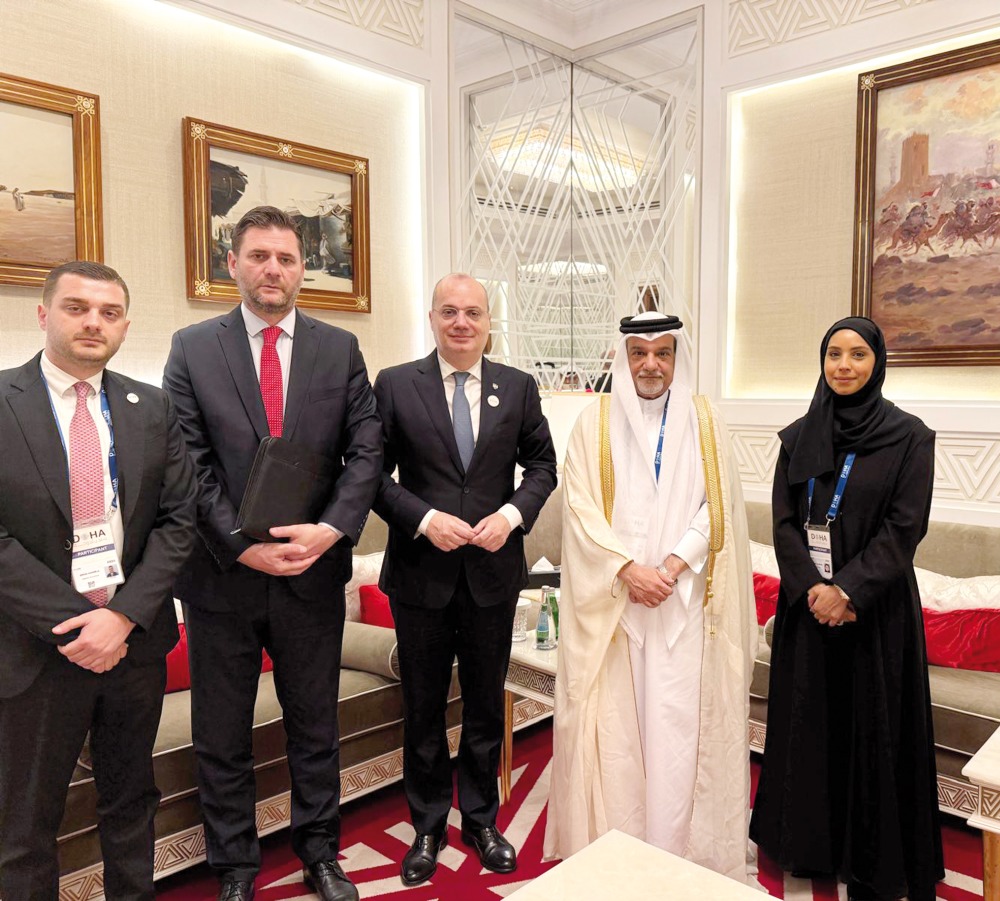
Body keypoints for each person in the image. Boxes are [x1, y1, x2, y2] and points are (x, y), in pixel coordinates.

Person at [163, 206, 382, 901]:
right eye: (259, 256)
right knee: (221, 731)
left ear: (300, 270)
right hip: (222, 581)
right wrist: (240, 546)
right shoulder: (192, 347)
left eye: (286, 259)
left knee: (314, 723)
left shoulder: (339, 348)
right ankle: (235, 866)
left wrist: (331, 530)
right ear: (233, 263)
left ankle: (320, 851)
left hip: (312, 575)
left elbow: (366, 451)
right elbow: (185, 461)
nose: (273, 270)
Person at [0, 261, 196, 900]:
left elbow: (177, 522)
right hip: (35, 651)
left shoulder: (153, 407)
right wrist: (77, 624)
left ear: (124, 326)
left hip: (131, 645)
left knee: (131, 802)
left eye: (109, 313)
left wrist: (120, 618)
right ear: (43, 315)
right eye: (77, 308)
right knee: (25, 823)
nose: (93, 322)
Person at [545, 312, 756, 882]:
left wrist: (671, 565)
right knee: (618, 733)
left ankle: (675, 852)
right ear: (623, 357)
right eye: (639, 353)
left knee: (677, 727)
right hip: (617, 607)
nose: (651, 365)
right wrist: (627, 570)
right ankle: (618, 848)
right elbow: (582, 511)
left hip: (681, 606)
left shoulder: (706, 420)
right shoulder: (594, 424)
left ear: (677, 357)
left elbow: (721, 503)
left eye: (663, 353)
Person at [372, 273, 557, 887]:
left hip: (492, 575)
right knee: (423, 709)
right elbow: (372, 476)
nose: (461, 323)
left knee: (483, 705)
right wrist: (424, 519)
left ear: (487, 321)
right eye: (449, 312)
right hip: (421, 576)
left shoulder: (519, 386)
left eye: (473, 313)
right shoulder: (396, 385)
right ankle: (426, 824)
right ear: (432, 318)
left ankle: (480, 819)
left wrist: (510, 516)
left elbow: (542, 467)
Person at [750, 317, 943, 901]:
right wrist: (812, 588)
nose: (843, 366)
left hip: (875, 615)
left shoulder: (910, 437)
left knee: (870, 731)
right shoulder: (797, 438)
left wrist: (849, 591)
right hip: (807, 611)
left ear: (878, 363)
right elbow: (784, 525)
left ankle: (869, 857)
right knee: (809, 728)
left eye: (858, 355)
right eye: (834, 354)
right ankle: (808, 846)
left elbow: (905, 529)